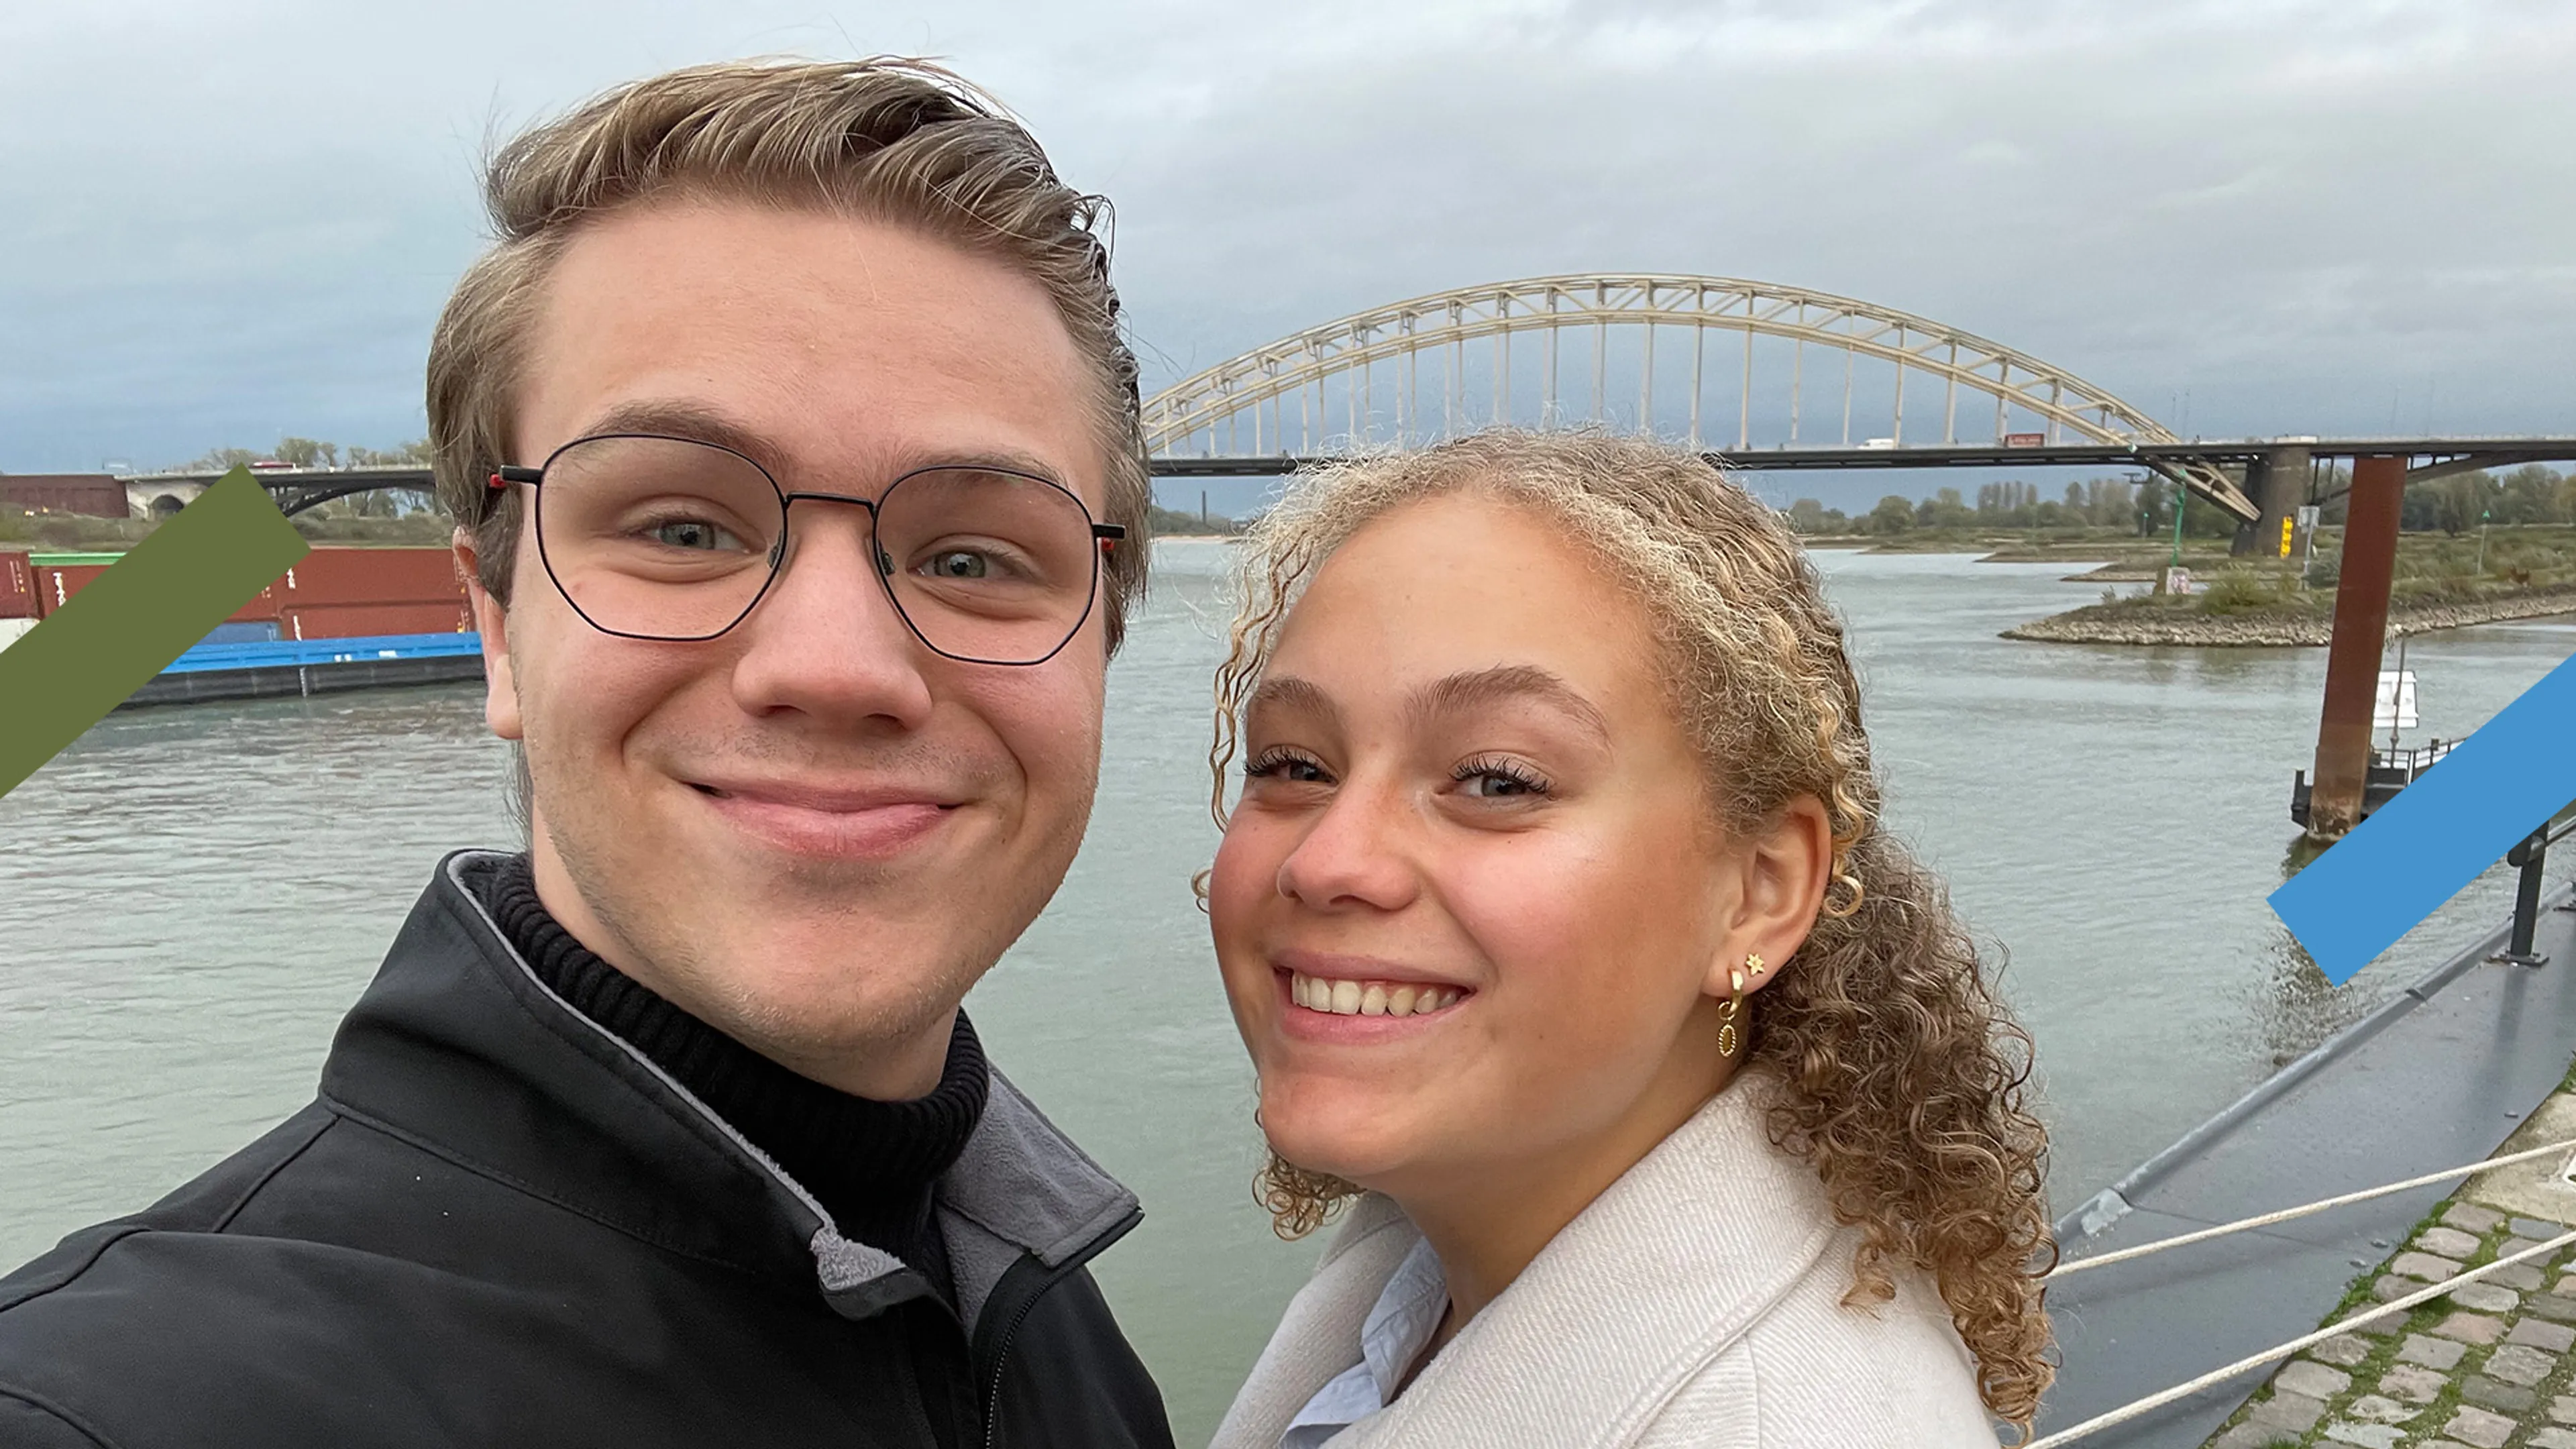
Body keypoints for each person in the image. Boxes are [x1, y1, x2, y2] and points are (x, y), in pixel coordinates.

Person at [0, 59, 1172, 1449]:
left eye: (976, 556)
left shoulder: (1055, 1345)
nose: (838, 667)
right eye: (683, 528)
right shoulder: (95, 1413)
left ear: (1101, 643)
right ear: (495, 620)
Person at [1199, 431, 2053, 1447]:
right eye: (1294, 765)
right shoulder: (1440, 1264)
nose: (1329, 861)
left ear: (1758, 895)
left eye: (1497, 780)